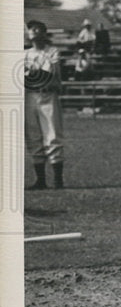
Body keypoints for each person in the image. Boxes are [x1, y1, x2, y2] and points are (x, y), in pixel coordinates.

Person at [24, 20, 65, 190]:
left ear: (44, 32)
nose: (33, 31)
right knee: (33, 136)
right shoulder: (24, 54)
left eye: (37, 28)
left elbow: (54, 75)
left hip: (48, 95)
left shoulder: (52, 51)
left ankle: (58, 179)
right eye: (30, 29)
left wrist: (35, 74)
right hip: (29, 96)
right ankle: (40, 179)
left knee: (52, 134)